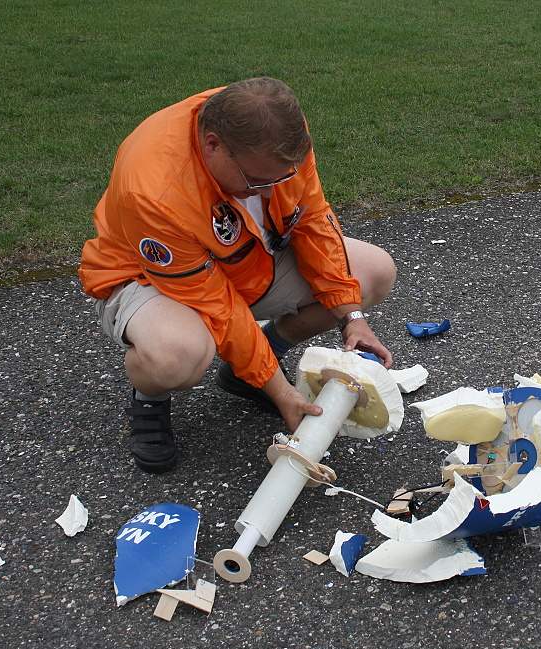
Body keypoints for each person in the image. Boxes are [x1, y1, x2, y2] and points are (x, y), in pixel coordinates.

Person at [79, 77, 396, 473]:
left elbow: (312, 220)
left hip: (245, 258)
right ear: (213, 145)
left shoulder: (278, 133)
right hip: (150, 277)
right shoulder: (154, 190)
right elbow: (219, 305)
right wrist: (280, 391)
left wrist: (352, 317)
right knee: (178, 357)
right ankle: (150, 398)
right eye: (256, 182)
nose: (268, 193)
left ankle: (257, 364)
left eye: (279, 180)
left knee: (374, 272)